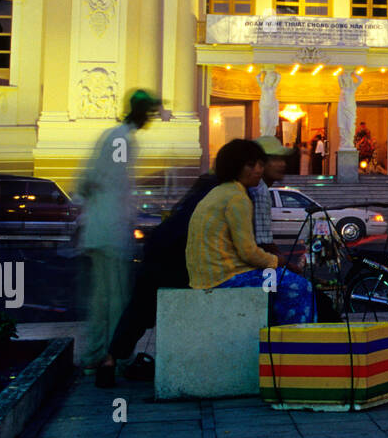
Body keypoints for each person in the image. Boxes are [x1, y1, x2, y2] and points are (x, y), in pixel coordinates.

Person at [102, 171, 218, 384]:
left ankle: (110, 360)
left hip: (154, 256)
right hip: (177, 263)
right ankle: (178, 365)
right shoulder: (213, 204)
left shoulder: (187, 204)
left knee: (137, 311)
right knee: (170, 311)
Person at [186, 138, 315, 325]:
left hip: (209, 276)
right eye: (250, 165)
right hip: (226, 279)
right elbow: (248, 251)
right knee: (300, 286)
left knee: (278, 284)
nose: (258, 170)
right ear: (234, 167)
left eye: (260, 165)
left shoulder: (221, 192)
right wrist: (275, 261)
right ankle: (293, 346)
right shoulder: (238, 198)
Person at [78, 89, 159, 387]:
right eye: (150, 112)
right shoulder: (122, 140)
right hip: (111, 231)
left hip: (102, 228)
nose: (152, 118)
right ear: (141, 112)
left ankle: (96, 356)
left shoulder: (115, 136)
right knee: (116, 300)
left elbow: (88, 181)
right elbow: (112, 182)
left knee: (102, 299)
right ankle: (113, 359)